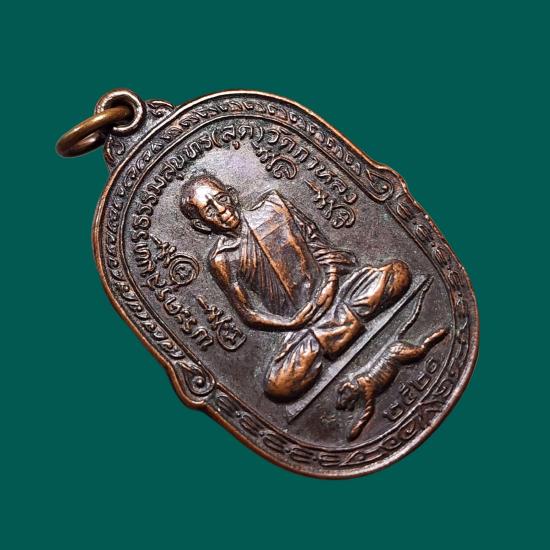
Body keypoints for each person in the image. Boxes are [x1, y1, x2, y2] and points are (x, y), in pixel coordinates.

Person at [180, 175, 411, 401]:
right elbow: (247, 312)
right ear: (201, 224)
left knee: (398, 273)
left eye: (221, 199)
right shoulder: (221, 259)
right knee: (277, 386)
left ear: (232, 195)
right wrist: (291, 323)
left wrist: (330, 283)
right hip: (302, 329)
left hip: (336, 295)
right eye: (210, 211)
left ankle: (332, 338)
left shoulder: (275, 206)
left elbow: (318, 244)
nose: (222, 211)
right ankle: (341, 328)